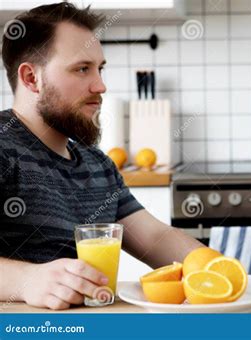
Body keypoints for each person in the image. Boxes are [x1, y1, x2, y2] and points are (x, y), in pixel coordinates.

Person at [0, 3, 203, 310]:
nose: (101, 85)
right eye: (82, 69)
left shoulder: (97, 164)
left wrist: (233, 271)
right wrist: (26, 280)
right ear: (31, 79)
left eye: (100, 68)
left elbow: (156, 238)